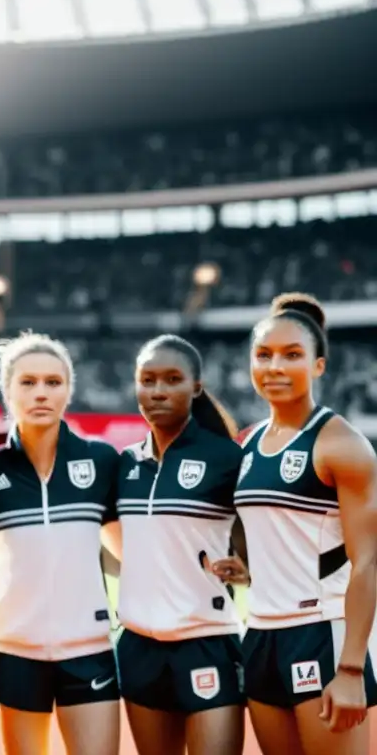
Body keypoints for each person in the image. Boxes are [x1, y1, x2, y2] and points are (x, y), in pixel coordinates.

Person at [236, 293, 377, 755]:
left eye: (292, 355)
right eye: (264, 355)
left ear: (318, 366)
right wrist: (249, 568)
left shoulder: (342, 445)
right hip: (259, 634)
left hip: (321, 633)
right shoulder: (249, 442)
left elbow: (367, 562)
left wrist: (352, 668)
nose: (275, 366)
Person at [104, 334, 247, 755]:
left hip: (207, 642)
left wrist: (251, 570)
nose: (158, 390)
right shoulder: (125, 463)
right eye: (147, 380)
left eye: (172, 379)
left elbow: (268, 536)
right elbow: (118, 539)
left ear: (196, 387)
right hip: (138, 647)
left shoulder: (226, 457)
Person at [0, 332, 121, 755]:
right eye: (27, 382)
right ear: (7, 390)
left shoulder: (101, 461)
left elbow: (130, 553)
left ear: (69, 389)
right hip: (12, 649)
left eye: (53, 382)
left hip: (89, 647)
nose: (41, 392)